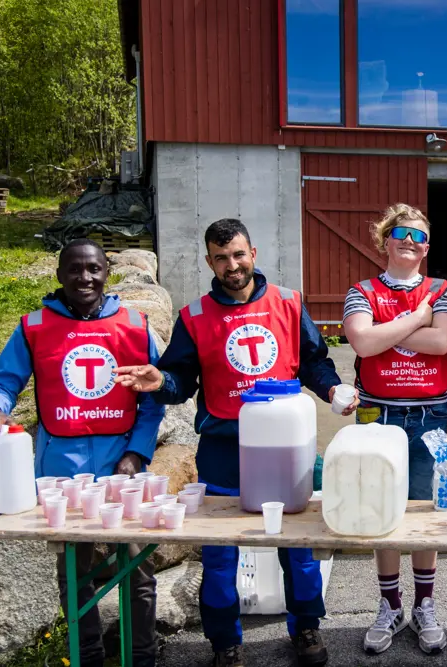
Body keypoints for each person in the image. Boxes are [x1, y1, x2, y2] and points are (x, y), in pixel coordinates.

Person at [115, 219, 356, 667]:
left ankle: (305, 627)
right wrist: (160, 381)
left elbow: (314, 362)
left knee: (298, 552)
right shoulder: (195, 317)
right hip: (225, 451)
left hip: (285, 452)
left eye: (239, 255)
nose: (232, 265)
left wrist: (332, 390)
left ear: (254, 254)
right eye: (222, 258)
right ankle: (224, 641)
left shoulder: (288, 302)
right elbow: (180, 381)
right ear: (210, 261)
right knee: (221, 558)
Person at [0, 239, 164, 667]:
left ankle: (144, 656)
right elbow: (4, 381)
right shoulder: (35, 326)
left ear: (107, 274)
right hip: (63, 473)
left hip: (122, 472)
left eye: (94, 269)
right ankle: (88, 656)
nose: (85, 278)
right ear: (59, 275)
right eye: (75, 270)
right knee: (75, 576)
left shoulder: (134, 324)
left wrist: (137, 453)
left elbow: (153, 398)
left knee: (138, 573)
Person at [342, 203, 447, 656]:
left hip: (429, 416)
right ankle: (389, 605)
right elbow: (361, 343)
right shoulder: (362, 290)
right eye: (402, 233)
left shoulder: (443, 288)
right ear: (385, 239)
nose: (410, 242)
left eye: (420, 236)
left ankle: (424, 605)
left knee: (426, 515)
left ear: (427, 247)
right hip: (377, 415)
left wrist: (383, 334)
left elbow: (442, 342)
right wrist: (414, 319)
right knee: (380, 513)